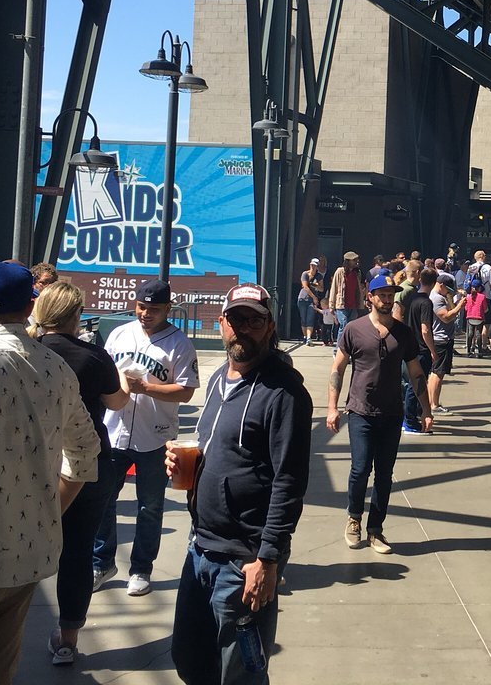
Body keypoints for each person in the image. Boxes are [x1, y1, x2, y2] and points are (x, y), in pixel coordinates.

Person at [0, 262, 100, 684]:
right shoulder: (57, 371)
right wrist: (50, 507)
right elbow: (86, 454)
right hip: (27, 558)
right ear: (31, 305)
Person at [170, 283, 313, 685]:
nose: (243, 329)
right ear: (221, 324)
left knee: (240, 674)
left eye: (254, 320)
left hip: (243, 559)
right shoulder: (218, 378)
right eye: (236, 319)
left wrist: (267, 560)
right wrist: (188, 466)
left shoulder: (285, 394)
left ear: (269, 327)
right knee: (190, 658)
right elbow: (219, 447)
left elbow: (289, 482)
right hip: (200, 547)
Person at [31, 282, 128, 666]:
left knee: (19, 543)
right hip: (89, 465)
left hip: (36, 461)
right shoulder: (94, 356)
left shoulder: (29, 354)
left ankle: (1, 626)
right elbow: (117, 402)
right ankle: (68, 638)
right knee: (77, 551)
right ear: (75, 316)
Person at [93, 278, 199, 596]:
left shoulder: (179, 343)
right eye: (141, 307)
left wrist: (147, 388)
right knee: (103, 501)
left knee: (149, 507)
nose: (145, 313)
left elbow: (187, 391)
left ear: (167, 308)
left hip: (155, 436)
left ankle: (141, 568)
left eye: (153, 309)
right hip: (114, 431)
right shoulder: (119, 334)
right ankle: (101, 562)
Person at [327, 275, 433, 552]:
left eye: (390, 295)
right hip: (360, 411)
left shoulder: (404, 333)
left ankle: (376, 529)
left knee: (385, 474)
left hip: (392, 412)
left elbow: (416, 373)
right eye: (381, 295)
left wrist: (426, 409)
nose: (387, 300)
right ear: (370, 297)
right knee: (360, 468)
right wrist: (332, 408)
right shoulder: (354, 329)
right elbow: (338, 370)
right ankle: (354, 519)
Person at [401, 268, 438, 434]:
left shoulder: (412, 298)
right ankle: (409, 421)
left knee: (411, 383)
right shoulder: (426, 303)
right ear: (433, 283)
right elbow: (425, 329)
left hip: (409, 345)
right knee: (416, 384)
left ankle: (410, 417)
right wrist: (433, 350)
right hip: (421, 349)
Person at [430, 273, 466, 413]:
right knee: (438, 373)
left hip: (443, 337)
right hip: (441, 338)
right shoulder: (437, 298)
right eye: (448, 290)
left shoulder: (442, 296)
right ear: (441, 286)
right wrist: (459, 307)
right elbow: (445, 317)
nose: (449, 293)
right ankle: (434, 404)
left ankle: (433, 402)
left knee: (438, 372)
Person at [329, 251, 365, 342]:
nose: (356, 261)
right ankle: (338, 350)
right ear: (348, 261)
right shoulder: (339, 271)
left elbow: (358, 290)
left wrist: (360, 303)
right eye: (354, 260)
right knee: (343, 326)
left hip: (353, 305)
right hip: (341, 305)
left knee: (351, 328)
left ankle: (348, 349)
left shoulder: (357, 273)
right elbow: (334, 288)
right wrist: (331, 305)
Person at [297, 257, 324, 344]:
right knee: (303, 318)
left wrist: (316, 286)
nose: (313, 267)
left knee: (310, 319)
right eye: (312, 265)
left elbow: (321, 289)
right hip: (303, 298)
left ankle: (308, 338)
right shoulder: (305, 274)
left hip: (312, 301)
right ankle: (305, 336)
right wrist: (314, 297)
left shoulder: (319, 276)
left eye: (315, 265)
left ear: (317, 267)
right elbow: (305, 287)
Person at [464, 281, 490, 357]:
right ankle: (479, 351)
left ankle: (469, 351)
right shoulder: (482, 297)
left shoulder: (468, 297)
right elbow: (485, 309)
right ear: (479, 288)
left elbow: (466, 308)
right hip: (479, 318)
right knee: (479, 334)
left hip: (470, 317)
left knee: (470, 334)